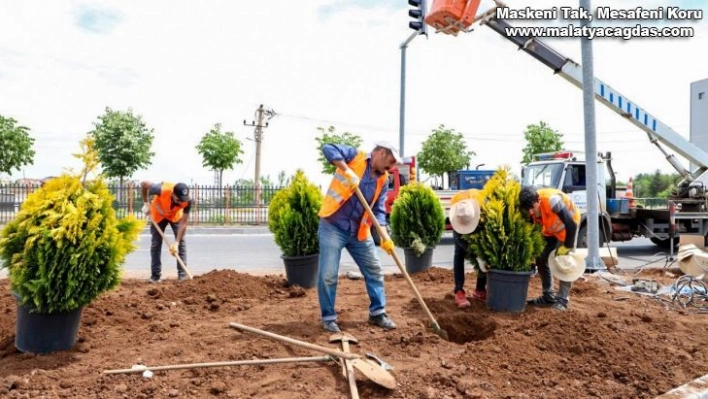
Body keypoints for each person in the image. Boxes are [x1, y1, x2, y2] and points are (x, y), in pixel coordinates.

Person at [317, 141, 401, 333]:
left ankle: (377, 313)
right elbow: (329, 147)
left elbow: (378, 211)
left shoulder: (383, 179)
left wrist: (385, 237)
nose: (392, 166)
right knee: (328, 274)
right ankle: (329, 318)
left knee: (374, 269)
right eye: (391, 160)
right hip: (333, 224)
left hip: (359, 231)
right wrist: (347, 171)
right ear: (380, 153)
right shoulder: (355, 156)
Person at [519, 186, 581, 311]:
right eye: (527, 209)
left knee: (565, 263)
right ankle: (548, 296)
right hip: (550, 229)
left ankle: (562, 300)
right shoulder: (531, 209)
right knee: (541, 258)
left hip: (568, 227)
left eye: (532, 207)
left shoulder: (553, 201)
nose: (530, 212)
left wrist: (567, 248)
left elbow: (571, 225)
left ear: (538, 201)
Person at [140, 181, 193, 283]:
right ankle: (155, 276)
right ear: (173, 194)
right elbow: (143, 184)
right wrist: (146, 203)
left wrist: (176, 243)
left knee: (181, 242)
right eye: (178, 199)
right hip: (158, 213)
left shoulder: (187, 201)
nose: (180, 202)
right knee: (156, 243)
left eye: (183, 200)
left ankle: (182, 276)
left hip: (175, 216)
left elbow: (183, 223)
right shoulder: (162, 189)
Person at [449, 189, 486, 308]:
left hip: (478, 215)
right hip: (461, 216)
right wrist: (476, 254)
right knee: (459, 253)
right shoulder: (457, 213)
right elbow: (459, 240)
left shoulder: (483, 207)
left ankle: (480, 289)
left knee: (484, 253)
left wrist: (481, 254)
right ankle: (458, 291)